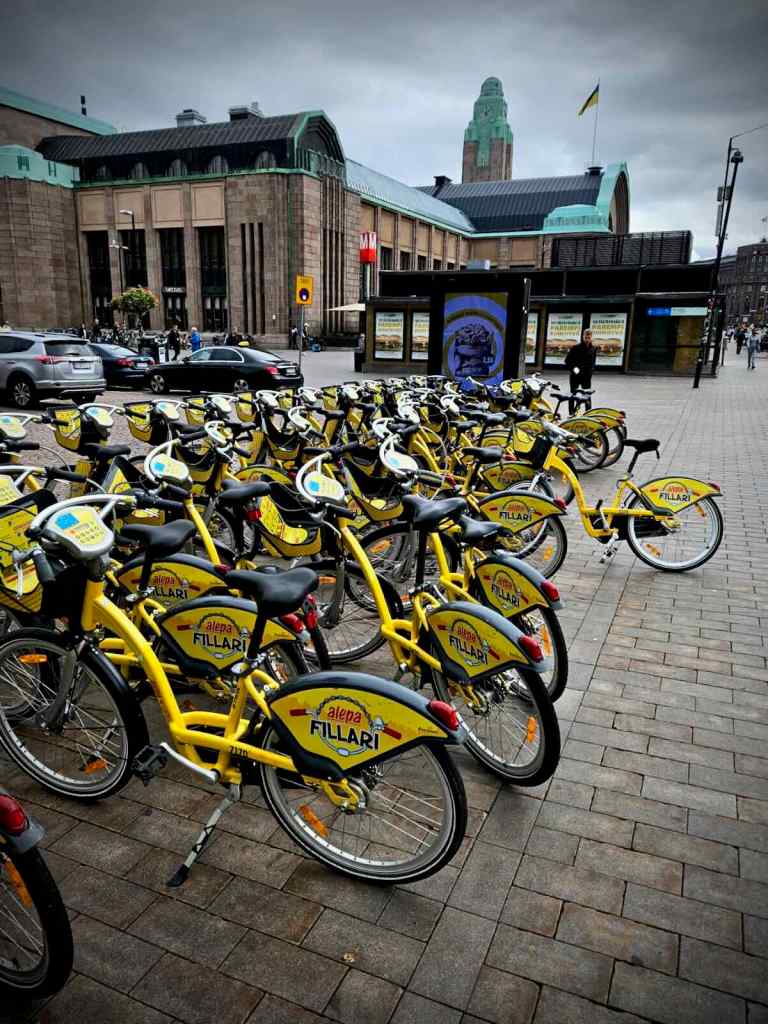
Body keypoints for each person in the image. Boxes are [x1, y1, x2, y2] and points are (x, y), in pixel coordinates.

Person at [564, 328, 597, 414]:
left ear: (591, 338)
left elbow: (593, 362)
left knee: (587, 395)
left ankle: (588, 413)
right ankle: (571, 413)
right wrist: (573, 368)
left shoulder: (593, 349)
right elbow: (567, 361)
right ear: (583, 337)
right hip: (575, 376)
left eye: (589, 337)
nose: (587, 339)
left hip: (586, 377)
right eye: (586, 337)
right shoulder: (576, 348)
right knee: (573, 394)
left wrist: (591, 371)